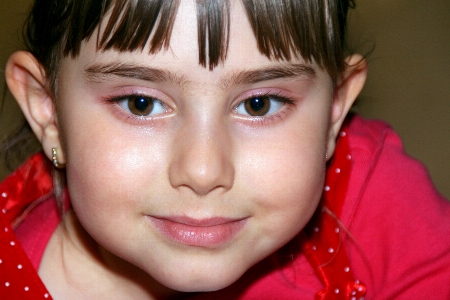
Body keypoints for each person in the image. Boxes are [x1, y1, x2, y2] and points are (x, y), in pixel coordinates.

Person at [1, 0, 449, 299]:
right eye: (141, 103)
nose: (202, 170)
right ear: (48, 111)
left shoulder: (370, 193)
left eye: (259, 104)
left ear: (334, 110)